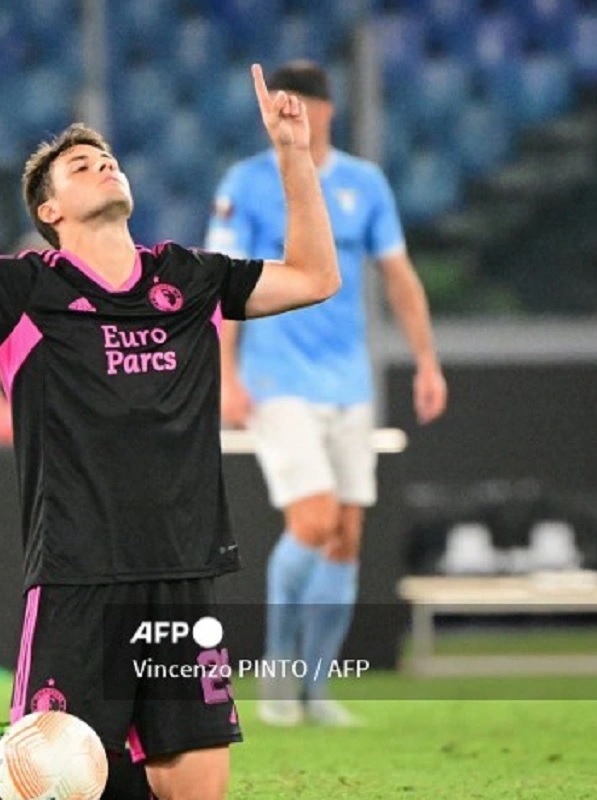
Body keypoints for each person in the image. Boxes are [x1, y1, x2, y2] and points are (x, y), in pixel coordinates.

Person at [0, 61, 340, 800]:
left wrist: (293, 155)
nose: (105, 168)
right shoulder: (25, 290)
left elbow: (316, 275)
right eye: (82, 166)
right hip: (77, 574)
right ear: (50, 212)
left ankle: (6, 761)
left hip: (182, 572)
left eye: (110, 160)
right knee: (51, 785)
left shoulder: (188, 278)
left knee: (187, 794)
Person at [206, 60, 448, 727]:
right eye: (285, 105)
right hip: (277, 376)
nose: (295, 116)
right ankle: (278, 677)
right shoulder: (246, 183)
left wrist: (426, 360)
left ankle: (315, 691)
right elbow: (219, 285)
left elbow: (398, 276)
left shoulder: (364, 185)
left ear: (327, 110)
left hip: (348, 379)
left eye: (305, 105)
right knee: (312, 522)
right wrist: (225, 374)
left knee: (345, 536)